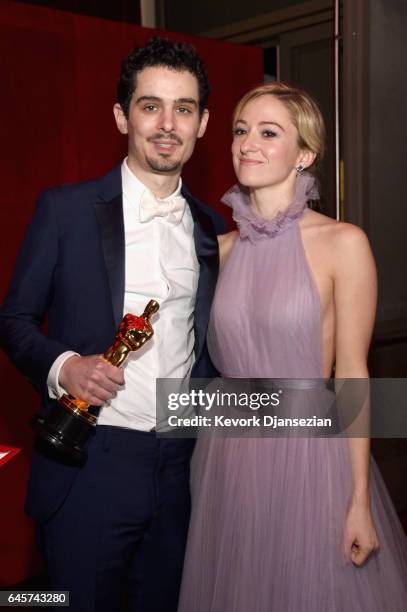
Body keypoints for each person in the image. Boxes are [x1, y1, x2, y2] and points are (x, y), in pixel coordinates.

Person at [0, 37, 224, 611]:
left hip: (180, 471)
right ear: (123, 115)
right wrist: (63, 366)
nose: (168, 124)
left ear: (203, 123)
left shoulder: (212, 229)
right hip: (88, 466)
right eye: (151, 106)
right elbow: (15, 319)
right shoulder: (65, 209)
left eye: (185, 108)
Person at [178, 82, 407, 611]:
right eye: (240, 131)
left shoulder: (343, 243)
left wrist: (358, 501)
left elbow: (352, 374)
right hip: (227, 461)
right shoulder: (221, 251)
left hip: (309, 458)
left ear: (304, 153)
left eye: (268, 132)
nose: (246, 144)